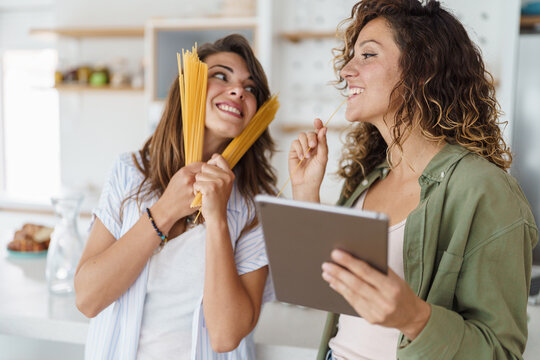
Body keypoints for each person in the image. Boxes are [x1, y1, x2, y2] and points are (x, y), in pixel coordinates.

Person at [288, 1, 538, 359]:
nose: (346, 71)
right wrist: (304, 191)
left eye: (367, 55)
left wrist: (415, 319)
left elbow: (500, 351)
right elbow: (323, 286)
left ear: (422, 69)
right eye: (351, 57)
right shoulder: (367, 179)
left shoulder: (485, 190)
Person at [74, 34, 277, 360]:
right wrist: (165, 210)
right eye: (221, 76)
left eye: (250, 88)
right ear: (189, 88)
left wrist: (218, 218)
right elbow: (87, 298)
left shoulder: (256, 206)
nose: (239, 90)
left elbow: (226, 336)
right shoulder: (130, 173)